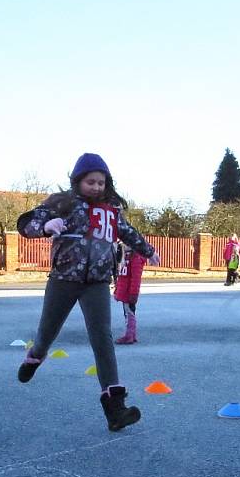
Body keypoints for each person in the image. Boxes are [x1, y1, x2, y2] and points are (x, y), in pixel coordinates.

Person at [16, 153, 160, 432]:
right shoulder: (63, 203)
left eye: (101, 182)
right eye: (90, 182)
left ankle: (115, 409)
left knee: (102, 338)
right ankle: (35, 356)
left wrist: (148, 250)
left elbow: (128, 233)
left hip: (96, 282)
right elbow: (27, 223)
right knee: (48, 332)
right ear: (78, 181)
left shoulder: (111, 210)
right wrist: (46, 227)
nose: (96, 187)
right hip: (64, 280)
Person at [113, 242, 146, 345]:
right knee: (127, 313)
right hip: (124, 291)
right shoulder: (125, 256)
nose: (124, 245)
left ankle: (129, 335)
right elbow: (121, 276)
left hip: (129, 293)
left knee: (129, 313)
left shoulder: (135, 258)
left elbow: (136, 278)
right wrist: (117, 289)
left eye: (126, 243)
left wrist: (133, 293)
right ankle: (131, 334)